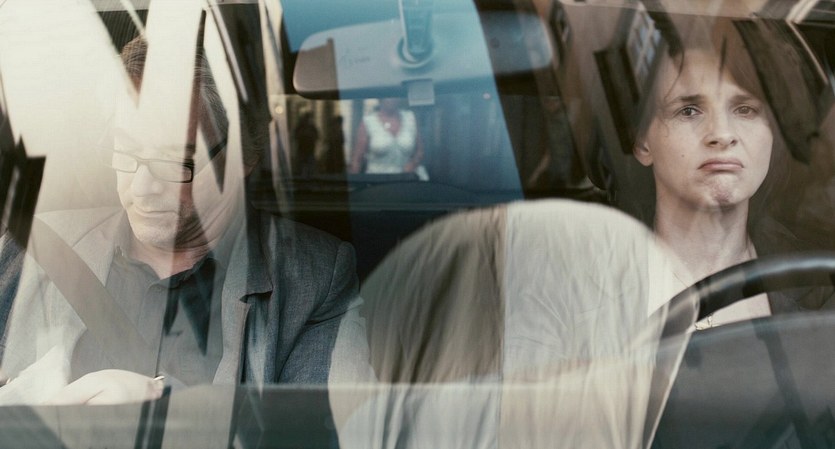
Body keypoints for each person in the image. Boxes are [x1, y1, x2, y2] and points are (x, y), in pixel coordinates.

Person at [0, 36, 360, 404]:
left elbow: (314, 427)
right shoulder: (35, 246)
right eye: (125, 151)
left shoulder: (315, 279)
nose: (142, 187)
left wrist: (162, 402)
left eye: (174, 162)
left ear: (243, 157)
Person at [631, 18, 832, 326]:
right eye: (689, 111)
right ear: (643, 143)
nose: (722, 134)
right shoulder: (589, 288)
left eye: (745, 109)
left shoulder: (820, 283)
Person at [349, 98, 427, 180]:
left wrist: (413, 163)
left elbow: (420, 151)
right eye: (388, 96)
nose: (392, 99)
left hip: (406, 180)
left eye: (394, 95)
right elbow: (357, 159)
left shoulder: (410, 117)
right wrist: (353, 182)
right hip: (377, 181)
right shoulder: (368, 122)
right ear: (380, 98)